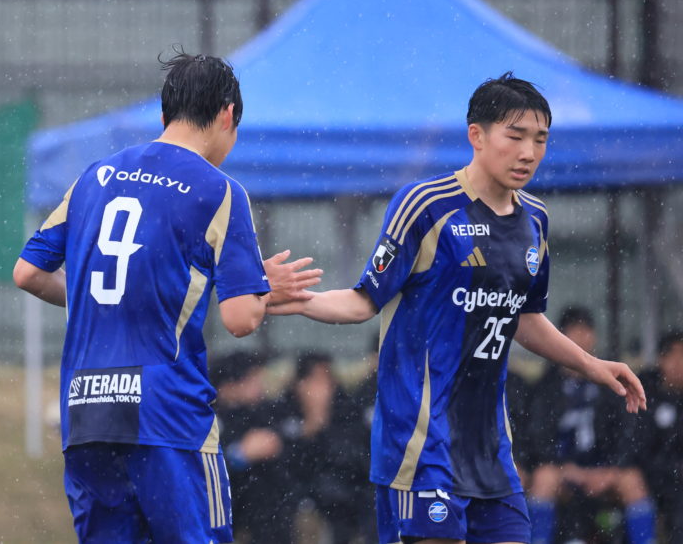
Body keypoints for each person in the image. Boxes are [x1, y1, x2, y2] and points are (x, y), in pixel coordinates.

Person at [270, 72, 647, 544]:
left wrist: (592, 365)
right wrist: (296, 300)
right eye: (515, 136)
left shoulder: (535, 219)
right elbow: (364, 300)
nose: (529, 152)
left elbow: (524, 318)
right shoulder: (426, 206)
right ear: (476, 135)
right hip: (421, 443)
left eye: (540, 139)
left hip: (490, 450)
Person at [13, 49, 322, 543]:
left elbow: (28, 273)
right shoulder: (218, 191)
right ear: (227, 116)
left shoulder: (96, 177)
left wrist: (106, 298)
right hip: (166, 415)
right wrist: (260, 287)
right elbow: (241, 319)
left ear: (164, 115)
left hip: (88, 410)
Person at [524, 306, 656, 544]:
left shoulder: (611, 383)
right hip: (562, 469)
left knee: (632, 481)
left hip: (605, 468)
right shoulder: (547, 387)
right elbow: (537, 437)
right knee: (544, 478)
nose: (582, 338)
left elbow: (629, 432)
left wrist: (611, 469)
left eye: (587, 331)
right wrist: (566, 468)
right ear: (559, 337)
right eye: (575, 331)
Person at [277, 350, 375, 543]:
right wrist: (312, 424)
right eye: (316, 380)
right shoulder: (281, 412)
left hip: (347, 501)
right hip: (299, 501)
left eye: (327, 380)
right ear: (300, 384)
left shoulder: (348, 412)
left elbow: (354, 460)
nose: (324, 388)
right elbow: (287, 464)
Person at [212, 350, 297, 543]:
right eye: (252, 380)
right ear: (228, 385)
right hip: (228, 515)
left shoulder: (268, 413)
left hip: (269, 518)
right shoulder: (209, 419)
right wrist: (239, 455)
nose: (260, 386)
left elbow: (295, 454)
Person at [637, 330, 683, 543]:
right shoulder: (643, 392)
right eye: (674, 355)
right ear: (661, 359)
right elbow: (635, 443)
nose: (679, 363)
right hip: (649, 473)